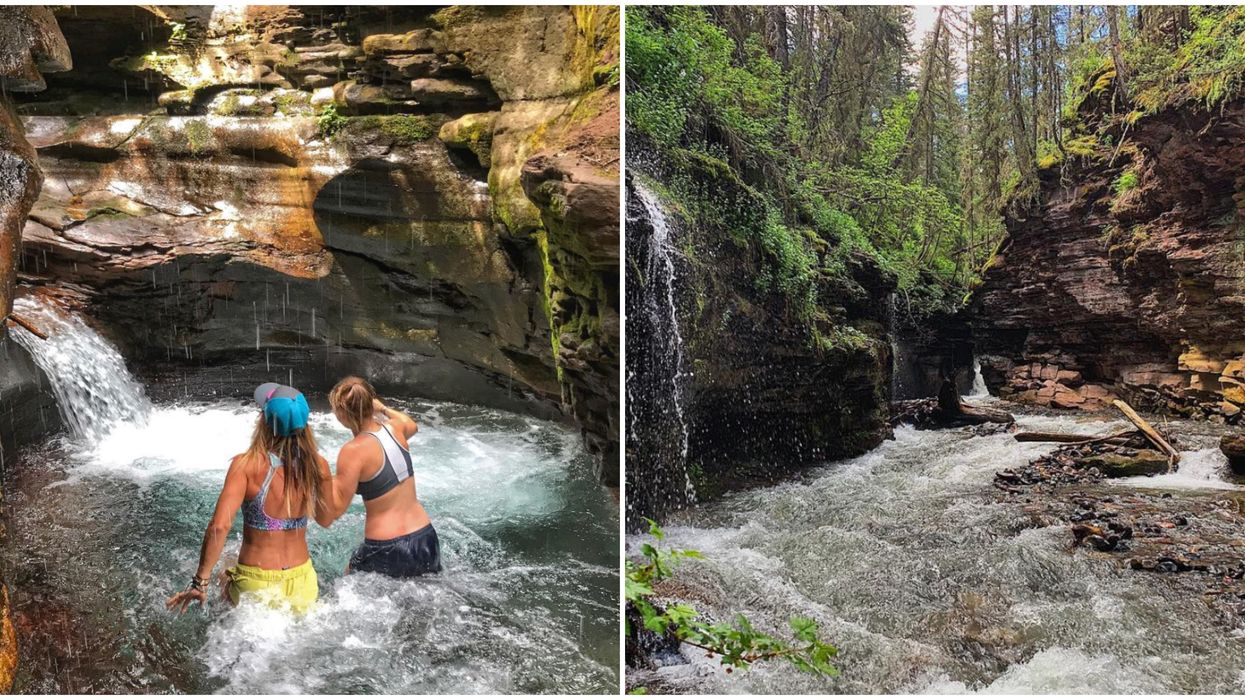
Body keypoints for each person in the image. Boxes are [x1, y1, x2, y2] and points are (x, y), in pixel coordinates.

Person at [166, 383, 334, 615]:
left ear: (264, 422)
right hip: (303, 582)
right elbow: (326, 519)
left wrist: (199, 582)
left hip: (256, 584)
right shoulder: (319, 466)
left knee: (224, 568)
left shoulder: (246, 465)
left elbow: (219, 526)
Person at [318, 376, 442, 578]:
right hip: (425, 536)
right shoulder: (396, 429)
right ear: (371, 403)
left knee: (347, 584)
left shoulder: (353, 451)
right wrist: (383, 409)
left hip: (387, 547)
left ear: (341, 414)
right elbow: (411, 424)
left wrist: (320, 476)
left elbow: (335, 509)